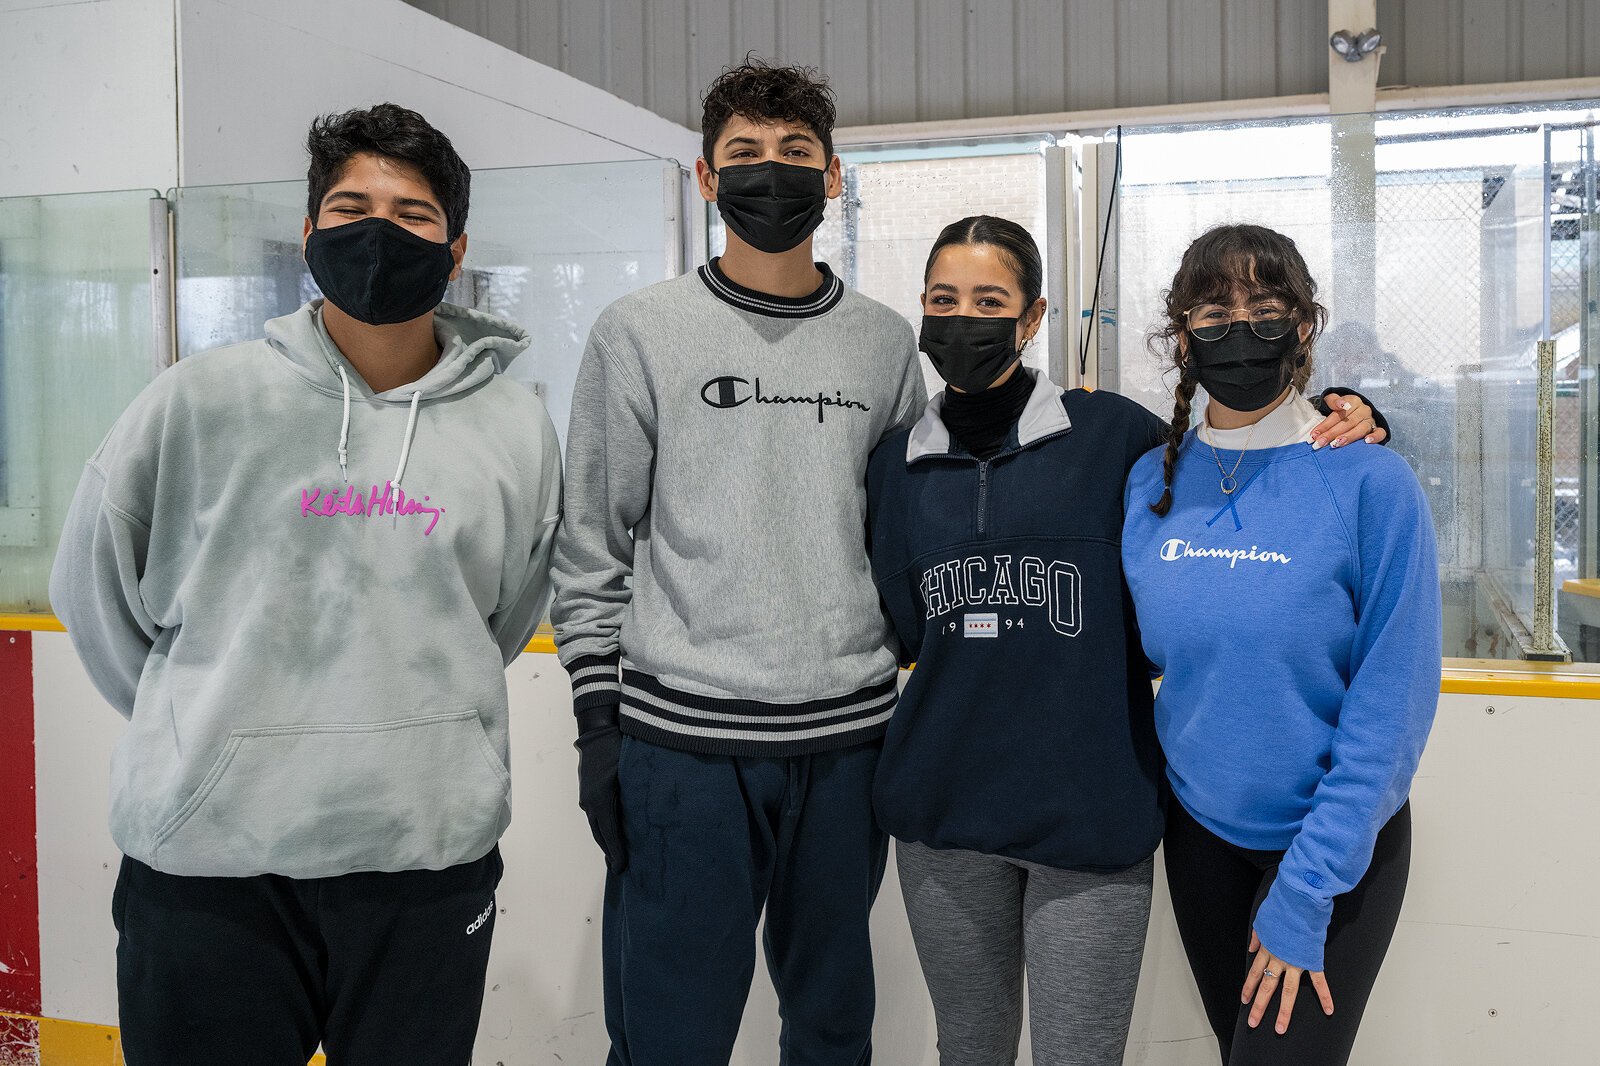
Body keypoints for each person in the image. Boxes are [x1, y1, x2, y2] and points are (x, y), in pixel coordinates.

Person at [49, 103, 562, 1065]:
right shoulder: (197, 401)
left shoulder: (514, 427)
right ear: (308, 234)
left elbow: (499, 616)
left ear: (455, 251)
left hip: (424, 861)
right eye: (348, 205)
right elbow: (99, 599)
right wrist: (216, 730)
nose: (376, 231)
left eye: (411, 215)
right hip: (210, 871)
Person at [866, 215, 1387, 1066]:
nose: (963, 319)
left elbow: (1239, 453)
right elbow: (904, 626)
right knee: (967, 1046)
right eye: (943, 300)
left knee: (1080, 1054)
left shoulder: (1118, 441)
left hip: (1090, 817)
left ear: (1032, 317)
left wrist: (1354, 414)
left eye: (989, 300)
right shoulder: (895, 466)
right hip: (941, 817)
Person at [549, 60, 927, 1065]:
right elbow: (589, 541)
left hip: (848, 743)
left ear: (833, 175)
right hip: (681, 750)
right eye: (745, 156)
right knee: (669, 1036)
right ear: (706, 179)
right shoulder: (641, 332)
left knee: (834, 1026)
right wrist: (597, 719)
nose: (772, 173)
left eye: (795, 153)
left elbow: (916, 523)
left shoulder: (885, 346)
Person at [1122, 223, 1441, 1065]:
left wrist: (1305, 892)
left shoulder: (1371, 480)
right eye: (1213, 311)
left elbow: (1392, 706)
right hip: (1200, 839)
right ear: (1181, 334)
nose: (1240, 329)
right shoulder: (1150, 482)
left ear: (1304, 327)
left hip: (1330, 853)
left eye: (1266, 309)